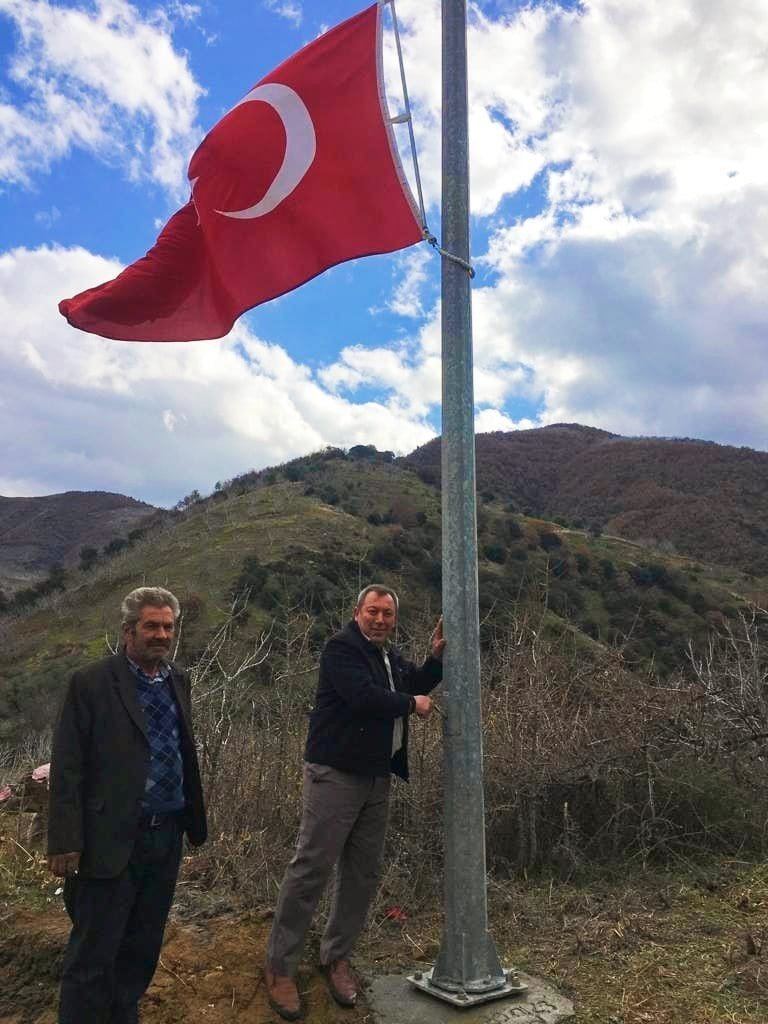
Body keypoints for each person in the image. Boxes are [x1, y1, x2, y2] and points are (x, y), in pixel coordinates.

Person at [265, 584, 445, 1020]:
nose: (380, 620)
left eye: (387, 613)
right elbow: (365, 698)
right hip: (335, 775)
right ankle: (280, 967)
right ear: (357, 612)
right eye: (373, 612)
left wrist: (435, 660)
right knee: (312, 867)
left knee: (361, 872)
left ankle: (337, 957)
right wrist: (411, 703)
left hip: (376, 777)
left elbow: (414, 683)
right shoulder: (341, 650)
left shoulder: (388, 656)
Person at [47, 586, 207, 1024]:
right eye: (151, 626)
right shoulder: (92, 682)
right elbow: (68, 765)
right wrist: (64, 839)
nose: (161, 635)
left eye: (168, 627)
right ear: (128, 631)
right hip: (109, 838)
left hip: (166, 834)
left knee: (140, 947)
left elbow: (181, 750)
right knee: (93, 954)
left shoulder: (179, 680)